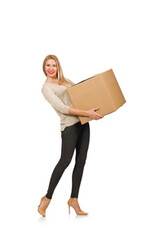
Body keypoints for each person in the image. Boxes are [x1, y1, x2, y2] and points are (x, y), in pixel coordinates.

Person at [38, 55, 104, 216]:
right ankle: (46, 198)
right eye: (48, 65)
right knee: (65, 161)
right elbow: (62, 108)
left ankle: (74, 199)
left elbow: (80, 94)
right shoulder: (46, 88)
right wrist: (86, 112)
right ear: (44, 68)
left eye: (54, 65)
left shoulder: (65, 80)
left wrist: (95, 108)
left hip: (83, 123)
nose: (51, 68)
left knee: (81, 161)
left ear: (58, 66)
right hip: (69, 126)